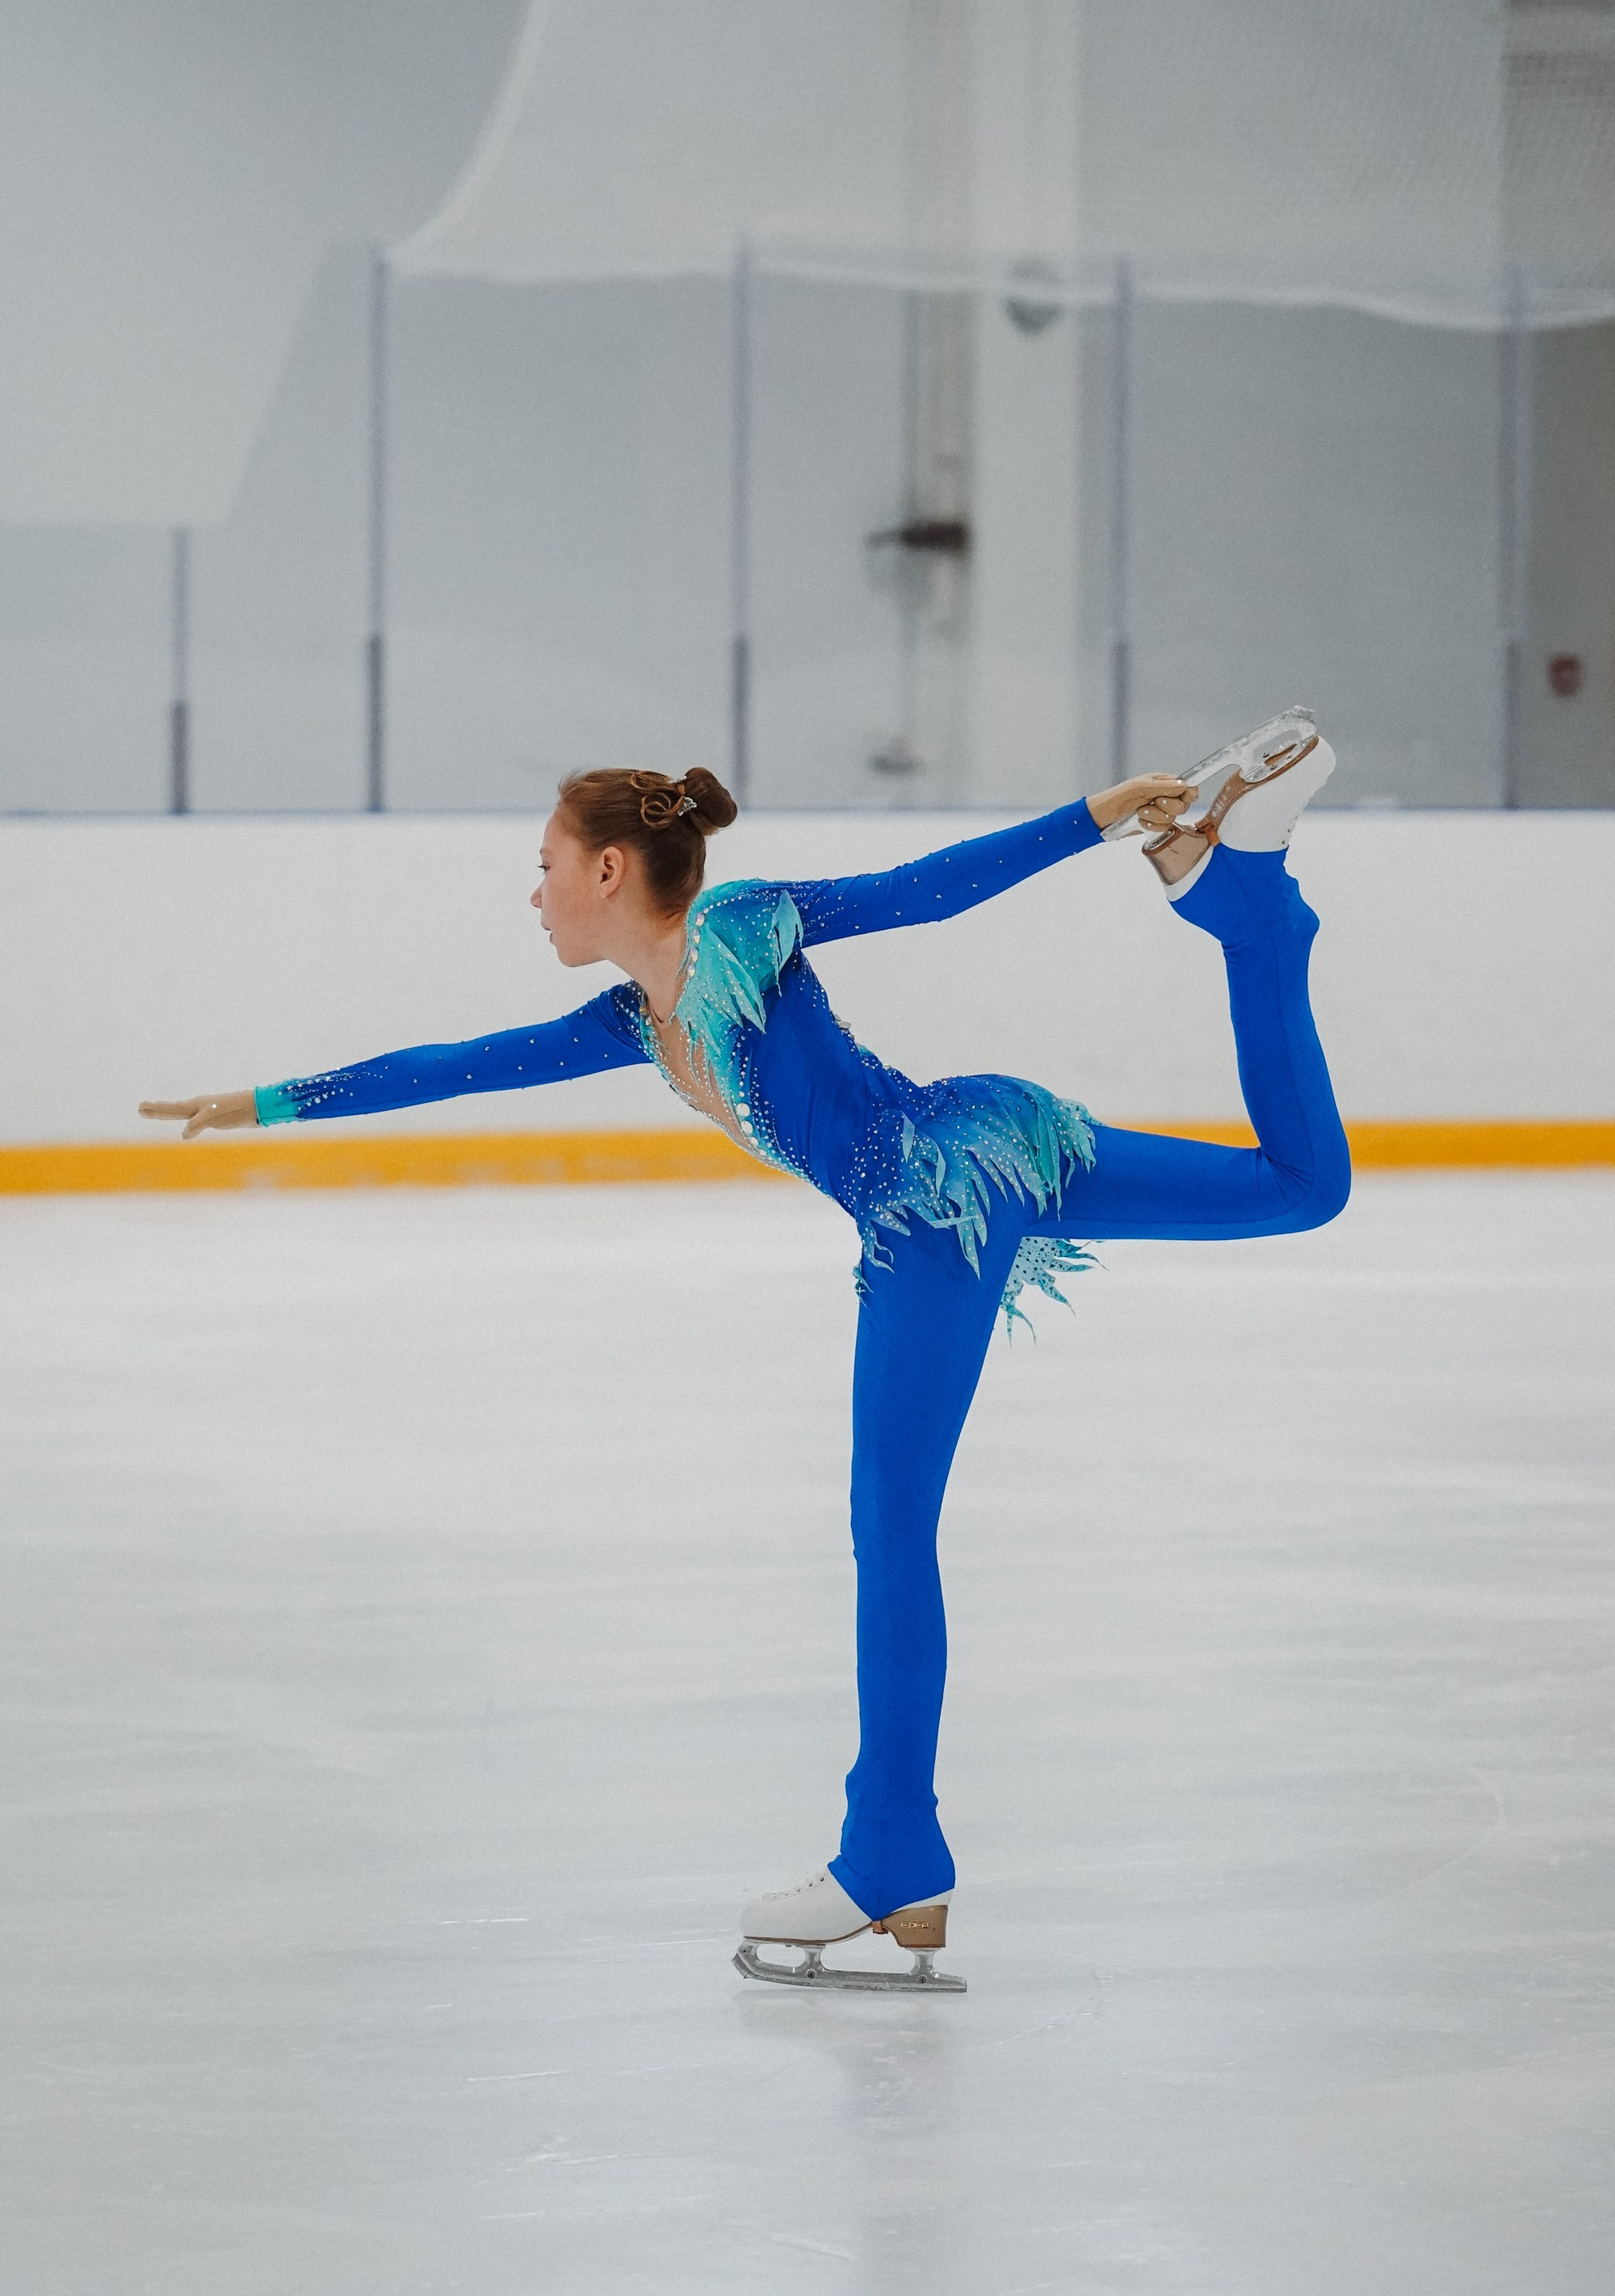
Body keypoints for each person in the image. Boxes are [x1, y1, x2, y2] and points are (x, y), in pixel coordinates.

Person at [142, 706, 1349, 1992]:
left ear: (610, 871)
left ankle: (891, 1854)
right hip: (986, 1153)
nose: (534, 893)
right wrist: (267, 1102)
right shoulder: (636, 1022)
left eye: (547, 864)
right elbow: (460, 1068)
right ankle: (1251, 903)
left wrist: (1090, 818)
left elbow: (917, 895)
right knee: (1297, 1185)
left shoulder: (740, 926)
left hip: (932, 1205)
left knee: (892, 1526)